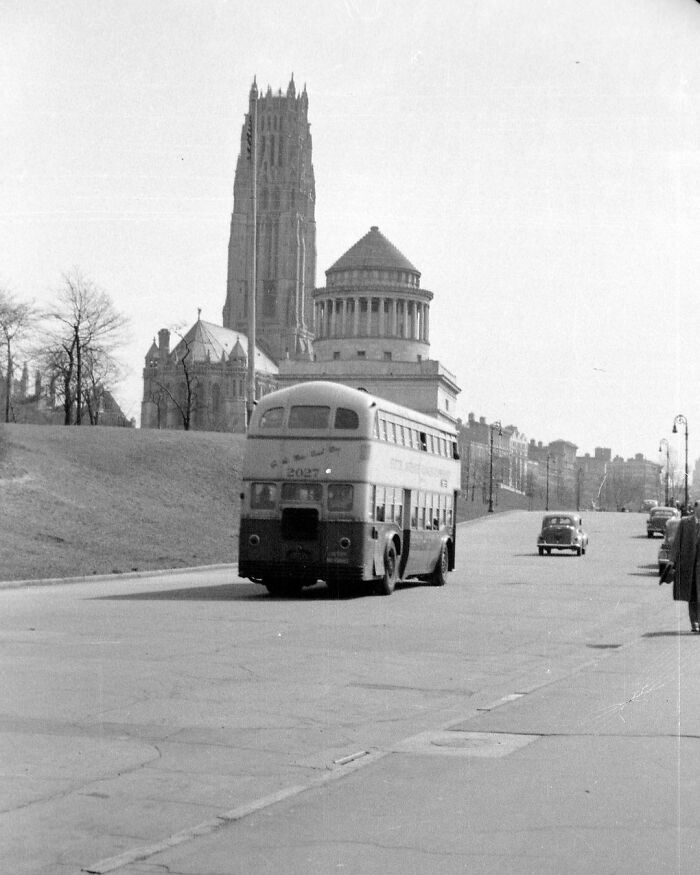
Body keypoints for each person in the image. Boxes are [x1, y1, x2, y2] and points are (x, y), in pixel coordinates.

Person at [669, 500, 700, 632]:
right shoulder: (685, 523)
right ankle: (695, 623)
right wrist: (672, 560)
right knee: (692, 595)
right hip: (690, 566)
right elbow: (677, 542)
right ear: (695, 508)